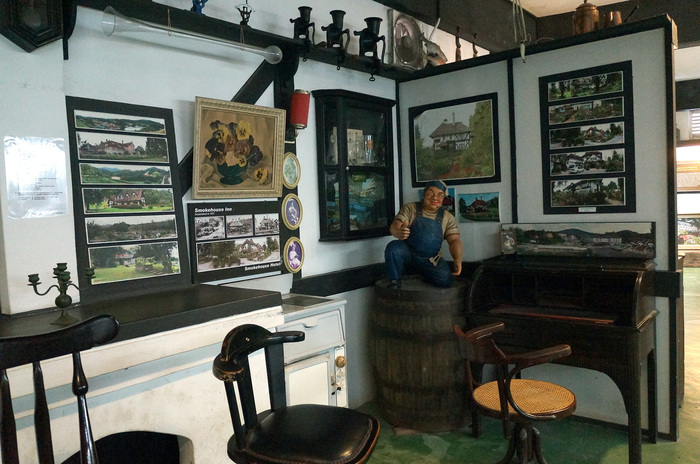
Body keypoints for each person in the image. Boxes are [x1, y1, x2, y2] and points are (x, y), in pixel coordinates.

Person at [384, 179, 462, 288]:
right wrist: (398, 231)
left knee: (445, 279)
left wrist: (457, 259)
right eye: (430, 193)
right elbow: (396, 224)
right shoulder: (410, 208)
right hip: (408, 254)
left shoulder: (447, 217)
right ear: (423, 194)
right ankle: (394, 281)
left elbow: (454, 240)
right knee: (393, 248)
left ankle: (426, 275)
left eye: (440, 195)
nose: (435, 198)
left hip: (431, 260)